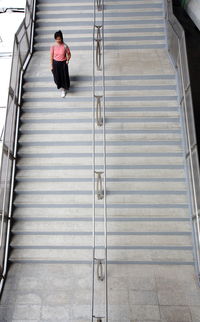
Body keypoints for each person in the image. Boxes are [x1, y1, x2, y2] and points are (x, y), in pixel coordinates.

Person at [50, 30, 71, 98]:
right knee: (57, 78)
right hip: (56, 63)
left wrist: (68, 60)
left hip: (63, 64)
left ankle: (63, 90)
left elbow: (69, 54)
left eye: (60, 38)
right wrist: (51, 65)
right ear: (55, 38)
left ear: (62, 38)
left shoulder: (65, 46)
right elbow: (51, 56)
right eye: (57, 39)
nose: (58, 40)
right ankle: (60, 87)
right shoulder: (53, 46)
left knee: (63, 77)